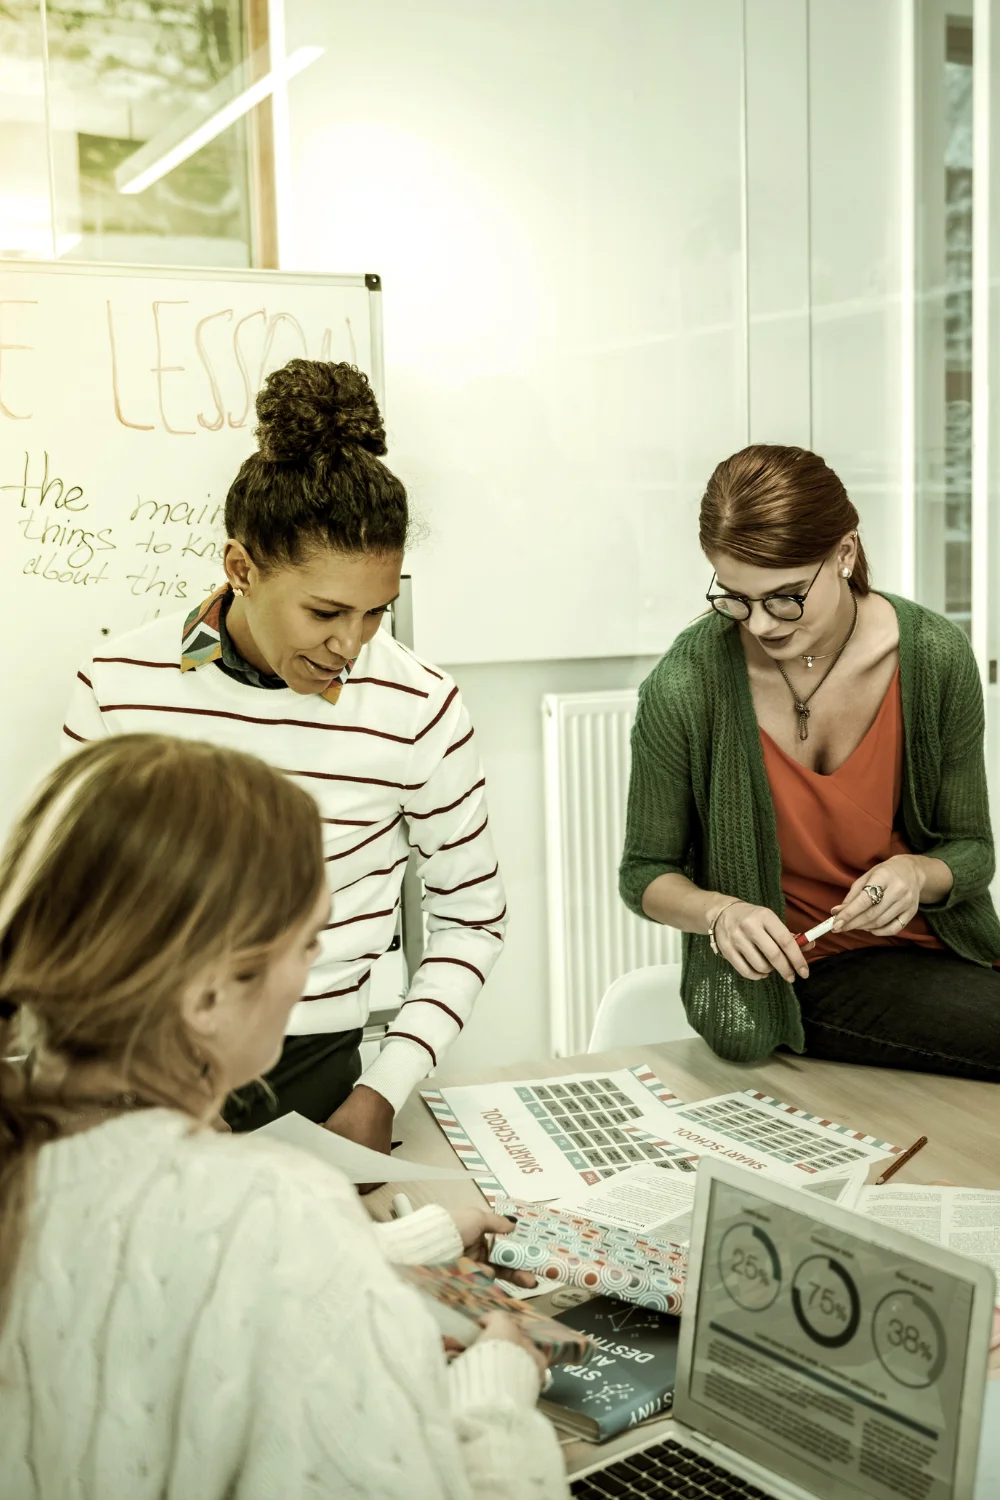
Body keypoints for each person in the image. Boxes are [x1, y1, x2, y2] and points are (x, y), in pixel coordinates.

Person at [0, 735, 566, 1500]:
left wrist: (402, 1246)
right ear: (206, 997)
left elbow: (153, 1279)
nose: (314, 969)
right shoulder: (275, 1210)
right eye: (307, 941)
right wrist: (496, 1394)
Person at [63, 359, 506, 1152]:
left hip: (319, 1077)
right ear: (241, 569)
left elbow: (473, 919)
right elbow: (71, 904)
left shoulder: (418, 706)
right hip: (136, 1069)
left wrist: (383, 1089)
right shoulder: (117, 686)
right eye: (325, 611)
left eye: (378, 611)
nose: (351, 644)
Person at [620, 444, 1000, 1079]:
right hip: (801, 976)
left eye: (786, 596)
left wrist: (913, 872)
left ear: (845, 553)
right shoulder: (686, 684)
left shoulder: (934, 657)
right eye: (736, 597)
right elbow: (646, 874)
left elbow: (971, 851)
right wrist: (720, 914)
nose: (762, 624)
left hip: (949, 951)